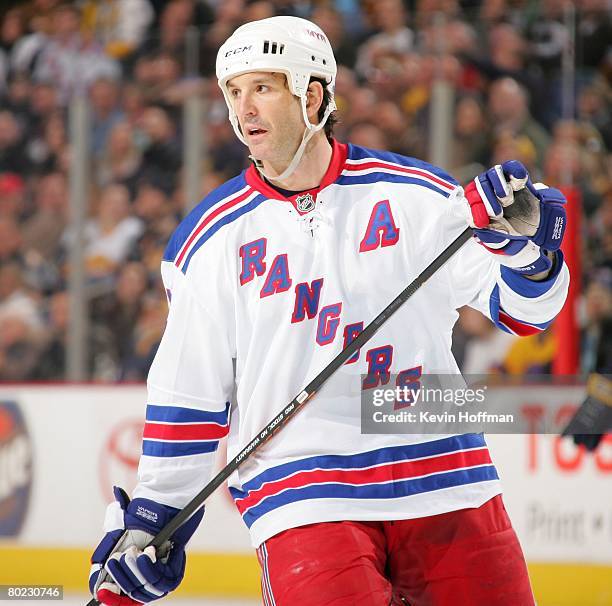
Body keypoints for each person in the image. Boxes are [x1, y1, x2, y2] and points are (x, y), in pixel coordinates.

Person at [88, 16, 569, 606]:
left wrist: (531, 255)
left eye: (263, 87)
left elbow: (528, 313)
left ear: (312, 95)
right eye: (234, 92)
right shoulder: (207, 243)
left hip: (448, 477)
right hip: (304, 494)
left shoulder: (416, 197)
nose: (244, 110)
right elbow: (189, 393)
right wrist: (153, 519)